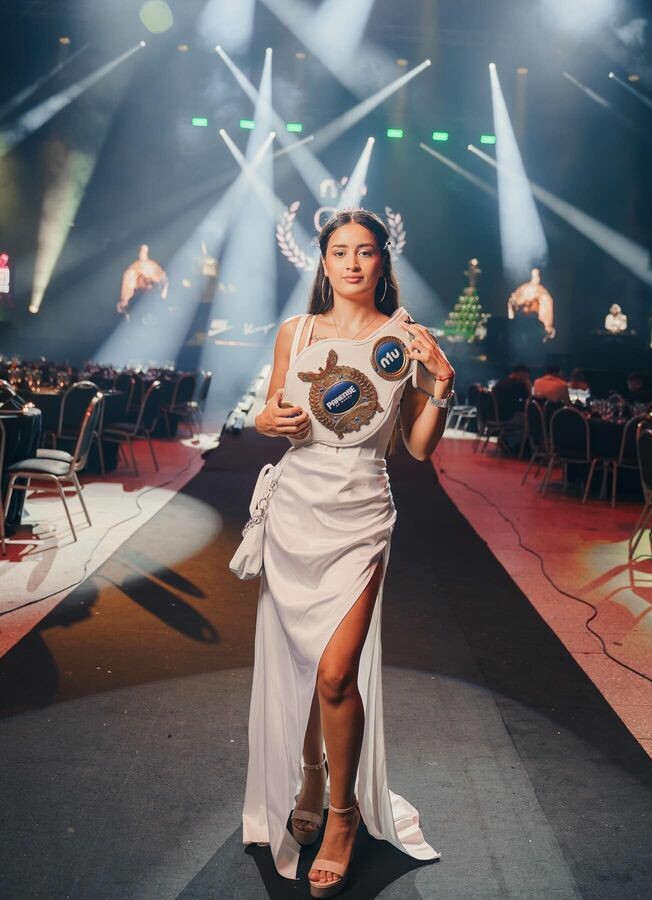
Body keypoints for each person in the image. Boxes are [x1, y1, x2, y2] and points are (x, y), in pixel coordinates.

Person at [243, 209, 447, 894]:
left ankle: (343, 813)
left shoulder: (405, 339)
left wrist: (441, 386)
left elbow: (417, 446)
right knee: (301, 662)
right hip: (294, 509)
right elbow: (271, 413)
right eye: (339, 251)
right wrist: (266, 419)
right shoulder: (296, 332)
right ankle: (308, 775)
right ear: (323, 262)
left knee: (335, 672)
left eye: (365, 252)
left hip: (360, 515)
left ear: (382, 262)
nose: (352, 263)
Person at [117, 244, 168, 319]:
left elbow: (164, 279)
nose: (148, 286)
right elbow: (123, 302)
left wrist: (164, 292)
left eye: (149, 283)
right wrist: (124, 307)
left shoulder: (155, 273)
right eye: (146, 283)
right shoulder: (130, 280)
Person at [507, 267, 556, 341]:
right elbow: (512, 301)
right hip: (522, 322)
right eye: (534, 275)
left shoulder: (544, 294)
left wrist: (547, 327)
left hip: (535, 324)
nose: (536, 277)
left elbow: (547, 311)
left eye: (537, 275)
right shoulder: (523, 289)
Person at [491, 364, 531, 452]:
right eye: (526, 376)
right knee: (530, 422)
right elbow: (527, 401)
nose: (527, 379)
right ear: (520, 373)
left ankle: (507, 441)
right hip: (506, 417)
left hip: (494, 416)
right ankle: (516, 446)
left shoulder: (501, 382)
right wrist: (528, 388)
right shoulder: (517, 385)